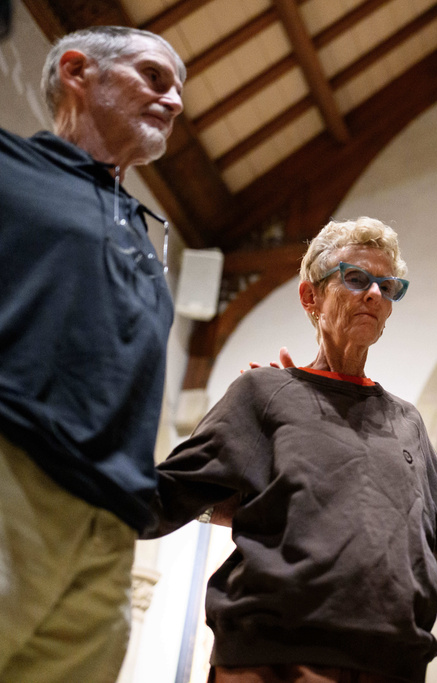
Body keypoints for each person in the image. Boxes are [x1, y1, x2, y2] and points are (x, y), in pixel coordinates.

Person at [145, 218, 437, 683]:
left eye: (388, 286)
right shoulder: (262, 392)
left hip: (391, 663)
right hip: (273, 657)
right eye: (357, 279)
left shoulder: (406, 422)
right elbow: (168, 495)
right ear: (311, 297)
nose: (375, 296)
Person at [0, 26, 185, 683]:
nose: (175, 101)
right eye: (155, 78)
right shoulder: (10, 168)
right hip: (15, 481)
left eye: (180, 90)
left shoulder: (142, 231)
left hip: (111, 531)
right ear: (78, 71)